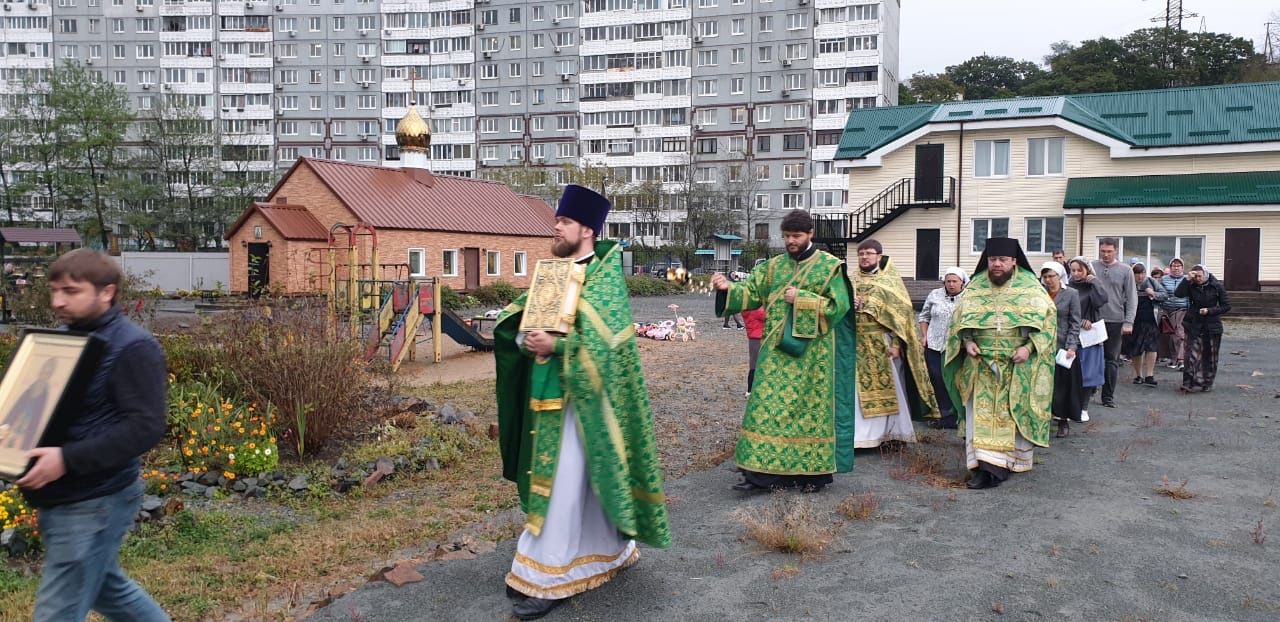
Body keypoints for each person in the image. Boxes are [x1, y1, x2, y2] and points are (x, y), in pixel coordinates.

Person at [493, 185, 670, 620]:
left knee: (562, 486)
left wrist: (556, 345)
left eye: (565, 221)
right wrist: (524, 336)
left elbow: (605, 349)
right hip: (548, 396)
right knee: (581, 485)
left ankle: (548, 577)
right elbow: (522, 319)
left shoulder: (605, 279)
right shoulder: (553, 272)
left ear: (588, 229)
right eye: (557, 220)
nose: (556, 227)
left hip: (587, 404)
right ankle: (604, 552)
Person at [17, 249, 170, 622]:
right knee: (107, 589)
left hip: (95, 499)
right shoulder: (64, 341)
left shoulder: (133, 347)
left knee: (57, 611)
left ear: (107, 292)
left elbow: (145, 426)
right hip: (64, 496)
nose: (58, 301)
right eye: (54, 290)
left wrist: (66, 459)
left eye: (71, 291)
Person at [712, 209, 856, 493]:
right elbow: (751, 293)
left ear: (810, 234)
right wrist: (729, 288)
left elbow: (838, 307)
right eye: (787, 236)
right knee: (763, 408)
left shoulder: (829, 267)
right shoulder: (773, 266)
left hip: (813, 356)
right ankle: (761, 475)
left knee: (809, 415)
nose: (790, 241)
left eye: (796, 236)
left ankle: (812, 475)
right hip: (775, 352)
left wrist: (802, 298)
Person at [943, 238, 1055, 490]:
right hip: (980, 365)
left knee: (1009, 416)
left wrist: (1028, 348)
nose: (997, 264)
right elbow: (958, 323)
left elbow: (1048, 324)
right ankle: (986, 468)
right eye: (993, 259)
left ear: (1014, 261)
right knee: (981, 417)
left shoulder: (1031, 287)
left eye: (1003, 260)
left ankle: (1009, 462)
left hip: (1015, 366)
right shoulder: (975, 287)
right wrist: (967, 341)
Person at [851, 239, 938, 447]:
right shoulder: (850, 280)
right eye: (861, 254)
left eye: (869, 253)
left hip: (882, 343)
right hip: (855, 343)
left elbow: (903, 317)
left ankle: (892, 434)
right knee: (856, 392)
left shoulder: (890, 282)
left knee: (892, 389)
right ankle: (860, 438)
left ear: (879, 256)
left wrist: (897, 345)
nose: (865, 257)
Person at [918, 268, 968, 429]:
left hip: (956, 347)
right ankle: (946, 415)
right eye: (948, 281)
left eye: (955, 281)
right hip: (934, 344)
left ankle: (960, 415)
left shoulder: (968, 297)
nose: (951, 284)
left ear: (962, 282)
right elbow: (924, 316)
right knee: (937, 378)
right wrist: (924, 336)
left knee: (954, 380)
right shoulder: (934, 295)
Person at [1091, 239, 1137, 408]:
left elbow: (1132, 297)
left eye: (1109, 251)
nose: (1106, 254)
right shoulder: (1092, 267)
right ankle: (1089, 390)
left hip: (1115, 320)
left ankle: (1108, 396)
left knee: (1111, 360)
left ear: (1116, 251)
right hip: (1094, 319)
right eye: (1103, 251)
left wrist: (1129, 321)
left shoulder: (1125, 270)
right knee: (1091, 357)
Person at [1174, 265, 1231, 394]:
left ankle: (1207, 382)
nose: (1198, 279)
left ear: (1206, 275)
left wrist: (1210, 311)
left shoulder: (1216, 286)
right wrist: (1186, 280)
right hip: (1194, 323)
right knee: (1190, 354)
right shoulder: (1191, 284)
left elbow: (1226, 306)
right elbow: (1178, 294)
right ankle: (1188, 382)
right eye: (1195, 276)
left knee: (1210, 355)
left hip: (1212, 325)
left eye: (1200, 276)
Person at [1041, 262, 1082, 437]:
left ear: (1060, 276)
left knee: (1062, 385)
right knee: (1044, 384)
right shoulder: (1040, 293)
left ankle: (1063, 420)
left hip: (1062, 344)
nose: (1048, 280)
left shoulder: (1071, 294)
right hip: (1042, 344)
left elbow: (1075, 322)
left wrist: (1072, 345)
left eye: (1051, 276)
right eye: (1045, 277)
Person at [1067, 257, 1109, 422]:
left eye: (1080, 270)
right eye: (1073, 270)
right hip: (1071, 333)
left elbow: (1101, 301)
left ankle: (1084, 408)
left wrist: (1095, 282)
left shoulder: (1092, 285)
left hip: (1089, 335)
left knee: (1088, 373)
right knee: (1070, 373)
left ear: (1088, 270)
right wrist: (1078, 321)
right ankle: (1069, 408)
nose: (1076, 274)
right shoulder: (1067, 286)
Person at [0, 358, 56, 450]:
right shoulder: (32, 386)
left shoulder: (46, 390)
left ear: (49, 375)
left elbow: (40, 409)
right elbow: (19, 404)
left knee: (23, 437)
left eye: (47, 373)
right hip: (20, 415)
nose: (44, 374)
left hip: (30, 419)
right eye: (43, 371)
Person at [1125, 263, 1165, 387]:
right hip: (1134, 320)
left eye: (1142, 273)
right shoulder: (1128, 283)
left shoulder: (1152, 282)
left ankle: (1149, 375)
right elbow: (1121, 298)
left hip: (1151, 319)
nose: (1140, 276)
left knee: (1151, 347)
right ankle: (1138, 375)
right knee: (1136, 348)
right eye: (1137, 274)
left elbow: (1165, 295)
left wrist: (1153, 294)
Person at [1160, 258, 1189, 370]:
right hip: (1167, 310)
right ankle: (1173, 358)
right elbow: (1160, 292)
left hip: (1181, 309)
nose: (1176, 268)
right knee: (1169, 336)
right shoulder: (1164, 279)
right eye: (1174, 266)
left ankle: (1181, 360)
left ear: (1182, 268)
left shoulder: (1187, 279)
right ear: (1170, 267)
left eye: (1178, 266)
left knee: (1179, 334)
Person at [742, 304, 766, 397]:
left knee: (753, 364)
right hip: (758, 338)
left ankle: (750, 389)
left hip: (753, 338)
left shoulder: (746, 309)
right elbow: (766, 316)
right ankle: (750, 390)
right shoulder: (755, 310)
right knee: (755, 365)